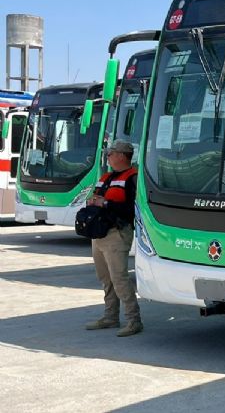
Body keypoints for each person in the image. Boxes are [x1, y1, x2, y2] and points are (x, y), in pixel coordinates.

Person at [84, 139, 143, 337]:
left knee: (119, 278)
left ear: (121, 155)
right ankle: (110, 317)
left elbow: (132, 210)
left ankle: (134, 320)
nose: (107, 156)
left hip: (117, 234)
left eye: (110, 153)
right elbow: (97, 198)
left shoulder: (132, 178)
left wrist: (106, 204)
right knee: (105, 279)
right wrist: (93, 201)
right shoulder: (106, 176)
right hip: (99, 234)